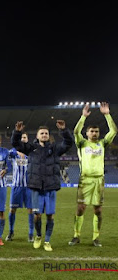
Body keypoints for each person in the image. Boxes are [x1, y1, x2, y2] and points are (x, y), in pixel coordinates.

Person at [12, 120, 73, 251]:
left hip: (51, 187)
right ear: (37, 136)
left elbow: (69, 143)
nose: (44, 135)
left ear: (48, 135)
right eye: (42, 133)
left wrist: (64, 130)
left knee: (50, 215)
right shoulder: (31, 149)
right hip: (36, 187)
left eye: (46, 133)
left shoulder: (55, 149)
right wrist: (17, 132)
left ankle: (47, 241)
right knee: (37, 215)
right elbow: (15, 144)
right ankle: (39, 235)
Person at [69, 102, 117, 247]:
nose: (94, 133)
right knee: (80, 208)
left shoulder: (102, 144)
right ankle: (76, 235)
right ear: (87, 133)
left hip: (99, 180)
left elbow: (114, 131)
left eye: (96, 131)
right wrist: (83, 117)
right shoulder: (82, 143)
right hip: (85, 179)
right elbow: (76, 132)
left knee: (98, 210)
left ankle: (96, 238)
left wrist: (107, 115)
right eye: (92, 131)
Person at [5, 132, 35, 243]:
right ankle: (11, 232)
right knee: (12, 210)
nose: (23, 139)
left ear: (27, 139)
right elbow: (6, 153)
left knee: (30, 210)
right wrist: (17, 151)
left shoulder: (32, 153)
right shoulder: (13, 153)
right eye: (21, 137)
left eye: (25, 137)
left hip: (29, 187)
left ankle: (31, 234)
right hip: (16, 186)